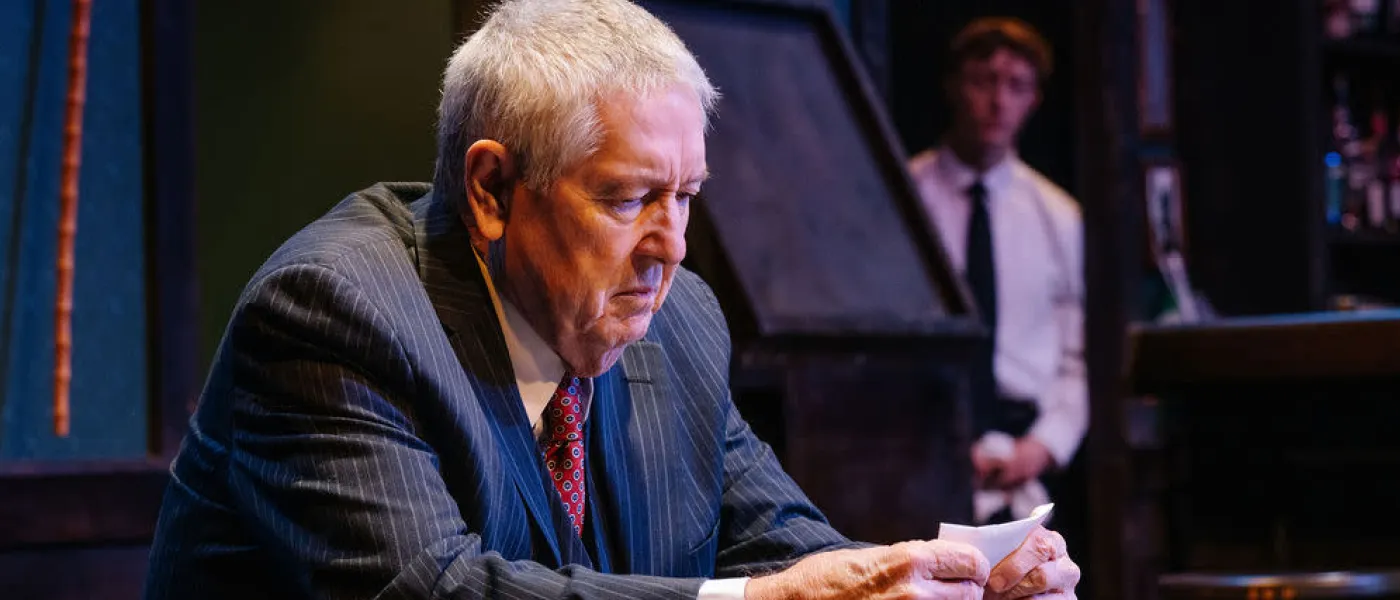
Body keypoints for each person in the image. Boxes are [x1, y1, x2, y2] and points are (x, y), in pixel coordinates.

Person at [144, 2, 1081, 599]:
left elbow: (784, 549)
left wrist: (949, 581)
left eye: (687, 197)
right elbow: (437, 592)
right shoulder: (335, 316)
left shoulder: (681, 321)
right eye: (629, 199)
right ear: (491, 190)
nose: (671, 249)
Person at [907, 18, 1088, 527]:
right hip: (924, 447)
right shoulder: (907, 198)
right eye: (983, 81)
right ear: (953, 86)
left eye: (1016, 86)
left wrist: (1043, 445)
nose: (998, 101)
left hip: (1025, 458)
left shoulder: (1058, 216)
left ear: (1034, 100)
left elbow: (1079, 357)